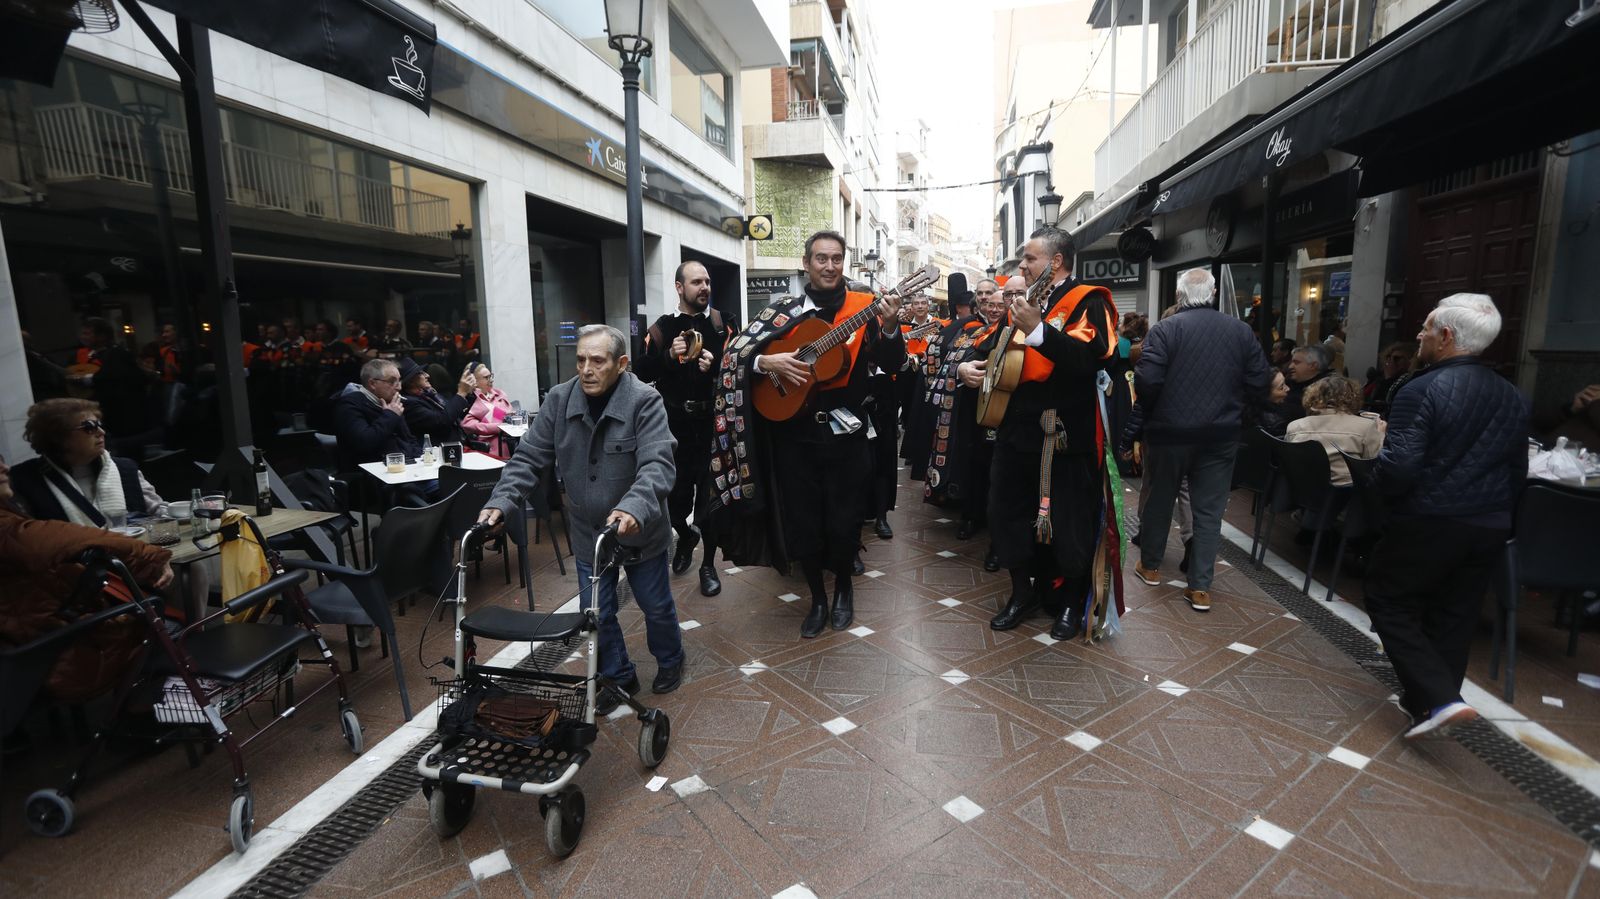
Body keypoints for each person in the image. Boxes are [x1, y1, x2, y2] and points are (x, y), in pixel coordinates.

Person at [477, 325, 683, 713]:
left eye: (598, 361)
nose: (587, 369)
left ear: (621, 364)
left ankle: (671, 658)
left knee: (655, 606)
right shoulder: (559, 400)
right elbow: (528, 458)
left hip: (639, 530)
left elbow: (658, 463)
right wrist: (501, 502)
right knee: (596, 613)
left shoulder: (644, 400)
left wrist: (633, 507)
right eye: (581, 360)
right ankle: (619, 674)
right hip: (590, 534)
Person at [711, 230, 905, 638]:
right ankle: (817, 597)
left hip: (846, 437)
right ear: (806, 264)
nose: (830, 266)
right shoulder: (785, 310)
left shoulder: (866, 308)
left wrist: (889, 328)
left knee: (844, 521)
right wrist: (769, 363)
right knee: (804, 522)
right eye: (821, 258)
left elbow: (893, 363)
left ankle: (844, 591)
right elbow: (736, 356)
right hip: (794, 437)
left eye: (837, 258)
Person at [1365, 293, 1528, 739]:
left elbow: (1399, 468)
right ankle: (1427, 705)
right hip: (1489, 521)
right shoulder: (1512, 395)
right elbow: (1518, 469)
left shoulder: (1419, 389)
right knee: (1456, 613)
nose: (1419, 333)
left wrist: (1378, 488)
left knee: (1388, 600)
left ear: (1447, 336)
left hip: (1430, 517)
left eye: (1427, 326)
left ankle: (1439, 698)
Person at [957, 227, 1120, 640]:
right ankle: (1020, 592)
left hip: (1065, 436)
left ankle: (1069, 603)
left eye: (1029, 258)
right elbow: (986, 346)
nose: (1022, 266)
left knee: (1068, 520)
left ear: (1056, 261)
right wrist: (965, 368)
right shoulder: (1024, 302)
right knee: (1006, 513)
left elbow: (1091, 359)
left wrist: (1040, 331)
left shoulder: (1088, 300)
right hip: (1016, 433)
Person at [1129, 269, 1273, 613]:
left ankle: (1150, 566)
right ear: (1211, 295)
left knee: (1160, 498)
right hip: (1220, 434)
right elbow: (1260, 380)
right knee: (1208, 510)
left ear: (1180, 296)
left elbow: (1147, 380)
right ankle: (1200, 588)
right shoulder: (1240, 331)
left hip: (1169, 433)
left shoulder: (1165, 329)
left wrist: (1153, 412)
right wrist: (1241, 415)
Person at [1, 453, 176, 704]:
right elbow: (67, 537)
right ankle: (139, 714)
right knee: (163, 623)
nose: (4, 467)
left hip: (33, 633)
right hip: (52, 650)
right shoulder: (12, 521)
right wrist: (151, 557)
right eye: (88, 426)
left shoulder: (122, 468)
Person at [635, 260, 730, 597]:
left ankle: (708, 566)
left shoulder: (722, 325)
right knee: (674, 502)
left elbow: (743, 365)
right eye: (696, 282)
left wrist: (716, 365)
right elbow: (640, 372)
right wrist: (668, 358)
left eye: (706, 282)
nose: (704, 287)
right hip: (672, 427)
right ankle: (685, 536)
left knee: (709, 503)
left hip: (711, 427)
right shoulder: (661, 329)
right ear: (679, 287)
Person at [8, 399, 171, 527]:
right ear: (59, 437)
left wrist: (189, 508)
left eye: (99, 425)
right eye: (89, 427)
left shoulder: (124, 468)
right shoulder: (24, 479)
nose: (101, 432)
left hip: (139, 560)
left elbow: (159, 511)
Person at [333, 359, 432, 506]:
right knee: (418, 494)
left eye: (399, 381)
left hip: (407, 472)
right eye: (392, 382)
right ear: (372, 383)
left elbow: (409, 439)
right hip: (374, 479)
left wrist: (422, 462)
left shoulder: (391, 402)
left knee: (454, 480)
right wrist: (390, 416)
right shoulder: (349, 405)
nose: (398, 387)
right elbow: (364, 442)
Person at [1286, 375, 1383, 486]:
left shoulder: (1294, 427)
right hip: (1347, 496)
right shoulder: (1366, 426)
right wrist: (1380, 434)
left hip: (1304, 493)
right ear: (1352, 398)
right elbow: (1374, 466)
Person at [398, 357, 474, 446]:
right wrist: (461, 392)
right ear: (410, 381)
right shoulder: (408, 403)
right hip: (436, 454)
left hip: (456, 447)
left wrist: (469, 394)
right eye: (421, 373)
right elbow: (442, 420)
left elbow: (454, 413)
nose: (427, 375)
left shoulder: (429, 394)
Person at [461, 363, 516, 456]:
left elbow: (509, 415)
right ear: (474, 381)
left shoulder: (499, 393)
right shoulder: (471, 400)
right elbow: (468, 425)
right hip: (488, 449)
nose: (491, 380)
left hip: (511, 442)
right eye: (486, 378)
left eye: (491, 376)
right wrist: (498, 427)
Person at [1278, 344, 1332, 431]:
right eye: (1291, 362)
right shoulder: (1287, 382)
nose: (1290, 366)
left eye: (1296, 362)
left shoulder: (1328, 390)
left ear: (1313, 365)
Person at [1363, 342, 1417, 418]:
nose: (1391, 361)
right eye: (1388, 357)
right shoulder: (1377, 379)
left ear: (1409, 361)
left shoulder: (1407, 382)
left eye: (1397, 359)